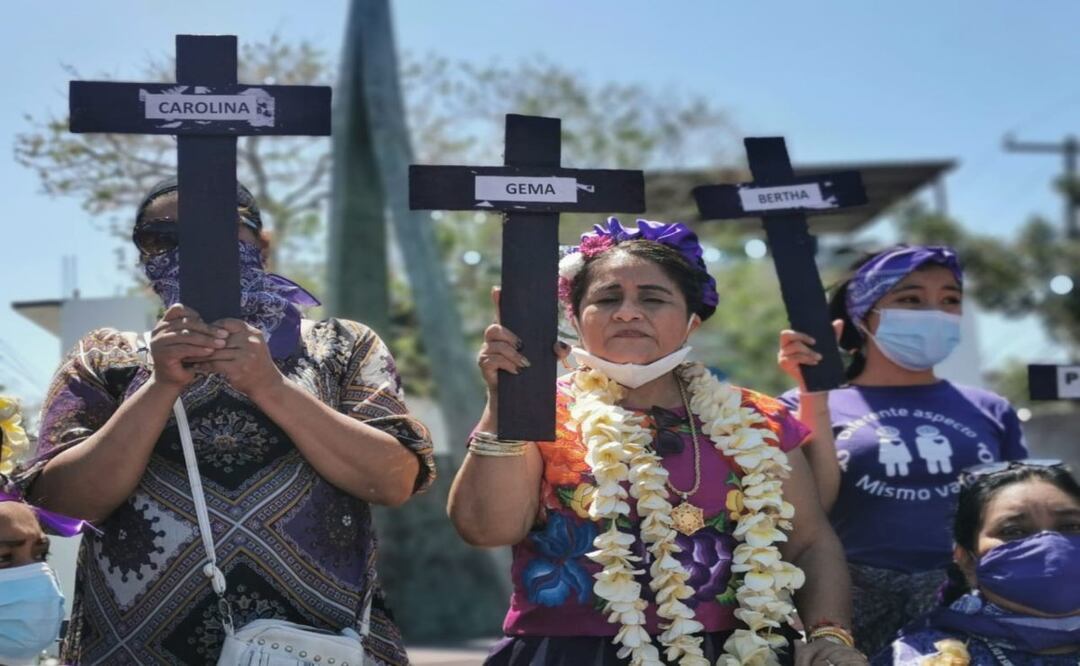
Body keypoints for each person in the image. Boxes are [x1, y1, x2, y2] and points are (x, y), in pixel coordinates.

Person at [16, 178, 436, 665]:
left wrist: (270, 386)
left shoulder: (342, 346)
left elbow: (394, 480)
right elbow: (63, 502)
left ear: (263, 244)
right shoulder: (105, 355)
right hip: (133, 646)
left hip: (317, 641)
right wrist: (159, 386)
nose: (189, 251)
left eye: (219, 232)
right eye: (161, 238)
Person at [449, 218, 866, 665]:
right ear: (575, 318)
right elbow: (486, 529)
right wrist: (505, 403)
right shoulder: (537, 411)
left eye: (653, 298)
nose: (628, 312)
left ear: (692, 321)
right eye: (608, 299)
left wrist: (828, 636)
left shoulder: (756, 418)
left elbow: (808, 541)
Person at [777, 245, 1029, 655]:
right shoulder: (801, 404)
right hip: (850, 611)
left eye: (950, 300)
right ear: (863, 314)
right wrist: (814, 396)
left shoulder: (991, 409)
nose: (934, 312)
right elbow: (811, 513)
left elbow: (1019, 518)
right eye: (909, 299)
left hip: (972, 609)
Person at [874, 460, 1080, 665]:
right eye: (1013, 531)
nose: (1049, 546)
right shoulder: (922, 656)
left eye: (1071, 526)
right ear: (967, 561)